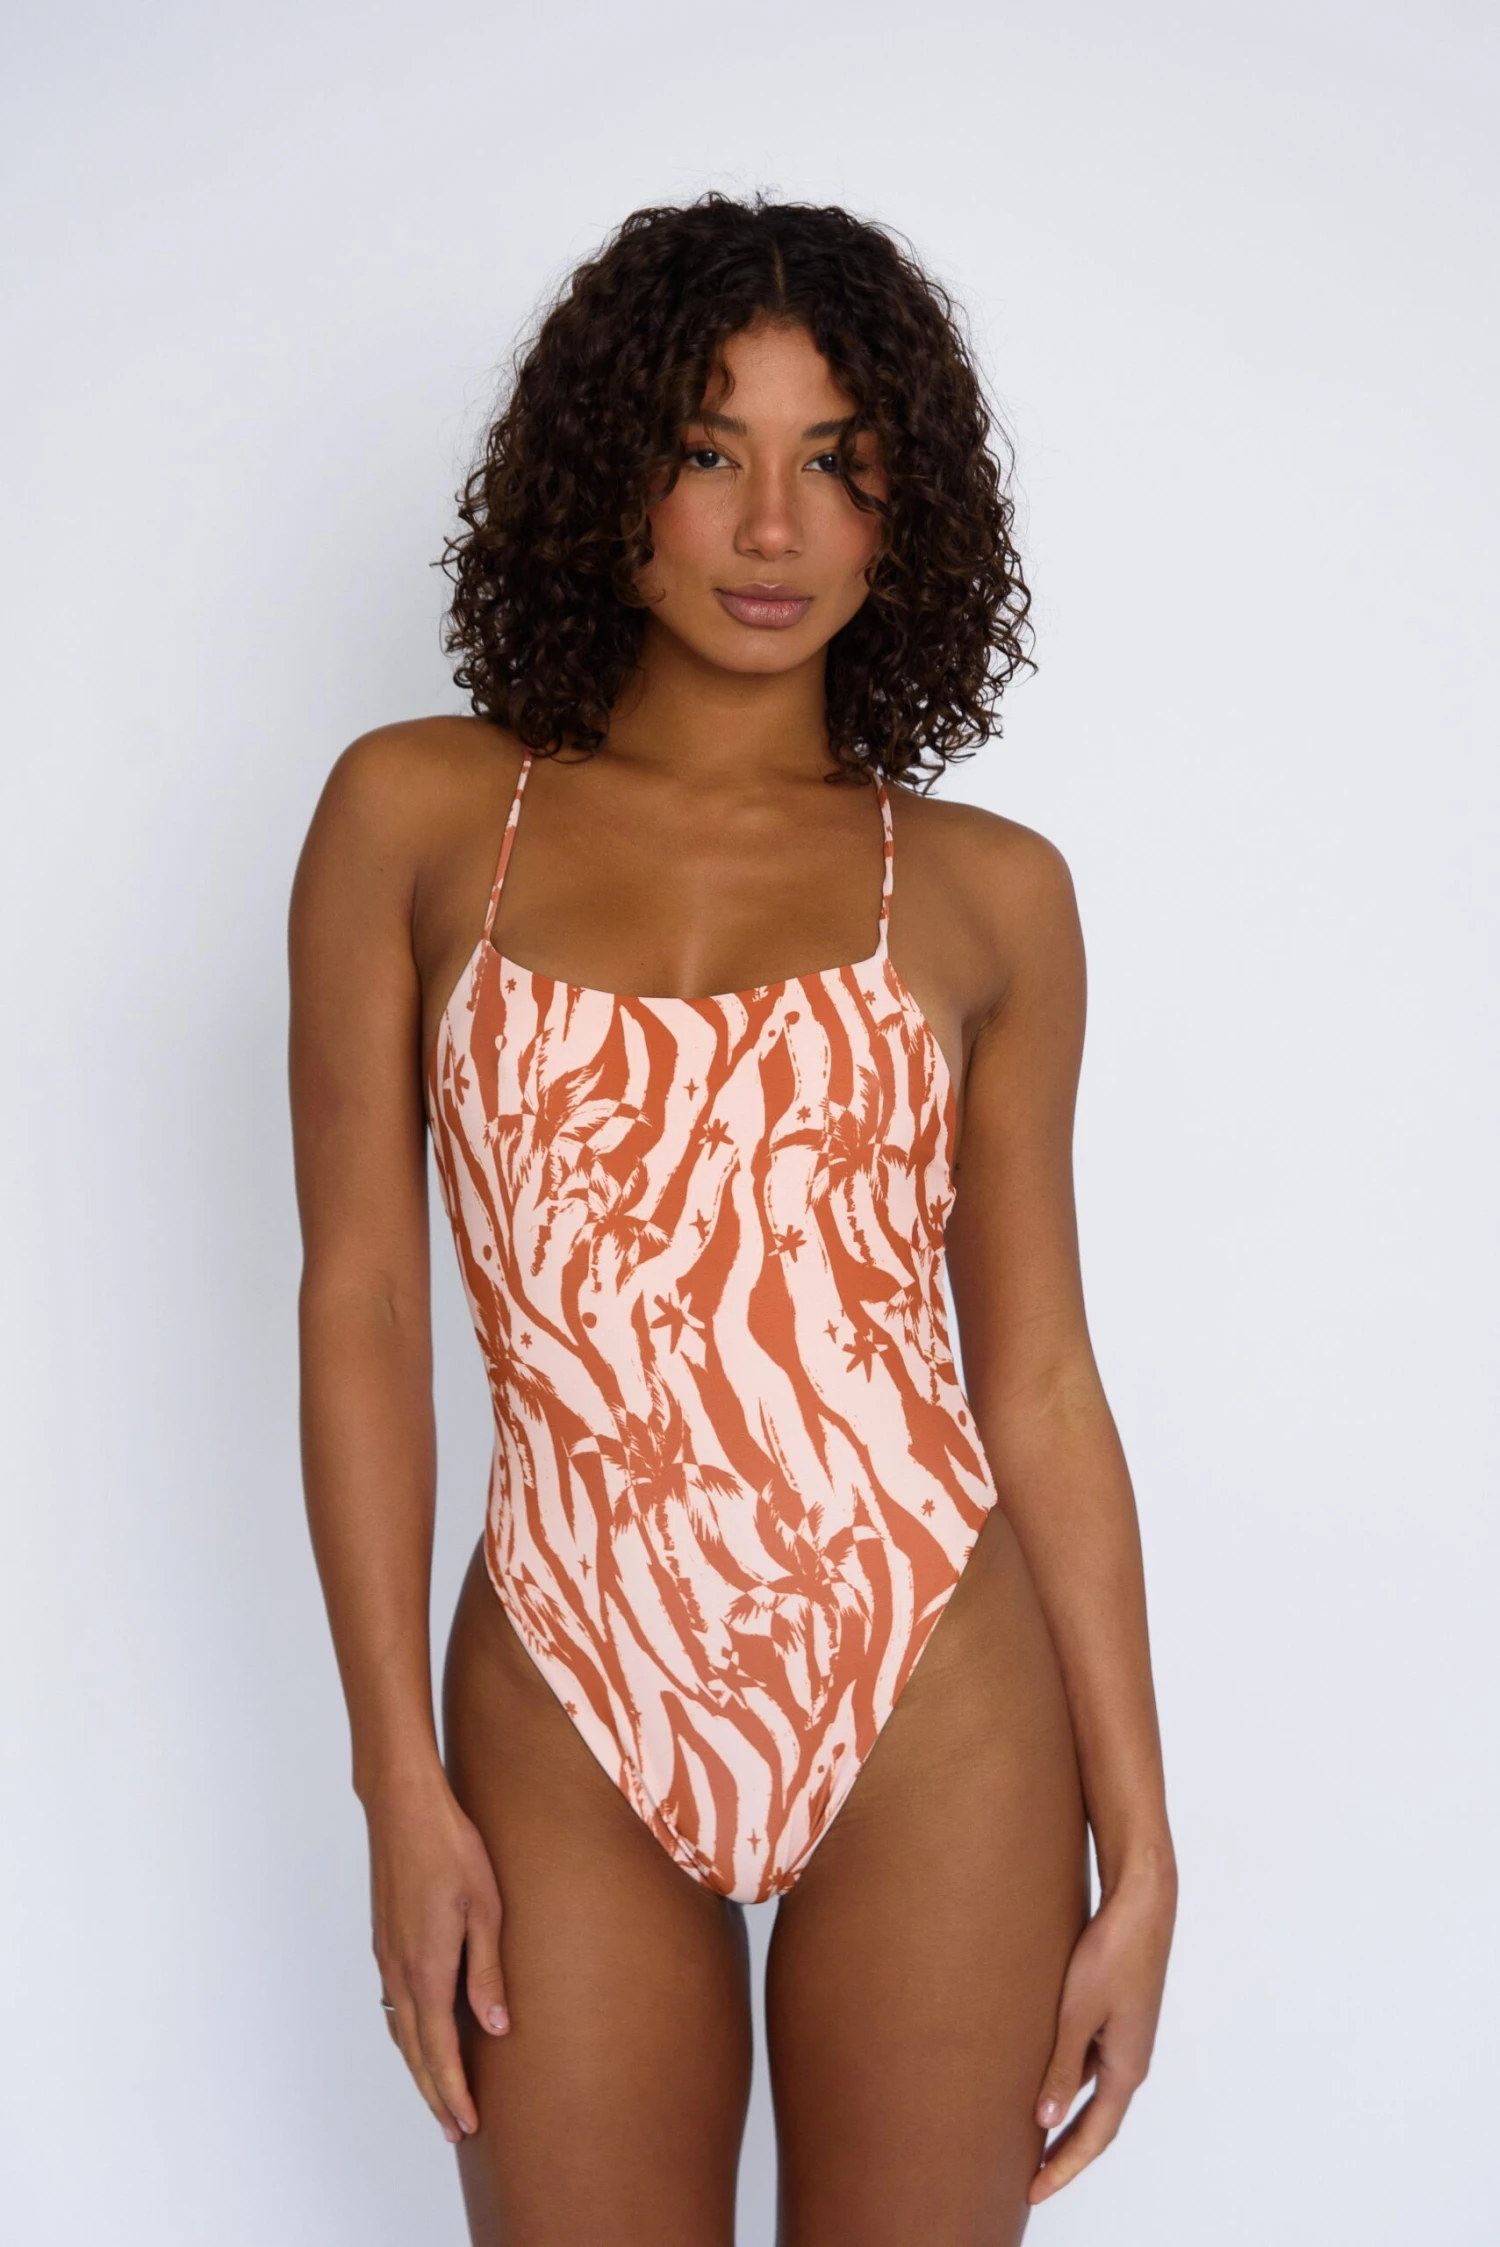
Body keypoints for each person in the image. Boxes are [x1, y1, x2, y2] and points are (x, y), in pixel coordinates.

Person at [288, 192, 1176, 2245]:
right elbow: (361, 1304)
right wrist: (393, 1773)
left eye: (838, 461)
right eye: (711, 449)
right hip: (561, 1691)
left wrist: (1142, 1844)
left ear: (904, 513)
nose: (775, 525)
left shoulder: (991, 892)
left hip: (936, 1692)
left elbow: (1040, 1376)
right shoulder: (415, 816)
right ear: (610, 479)